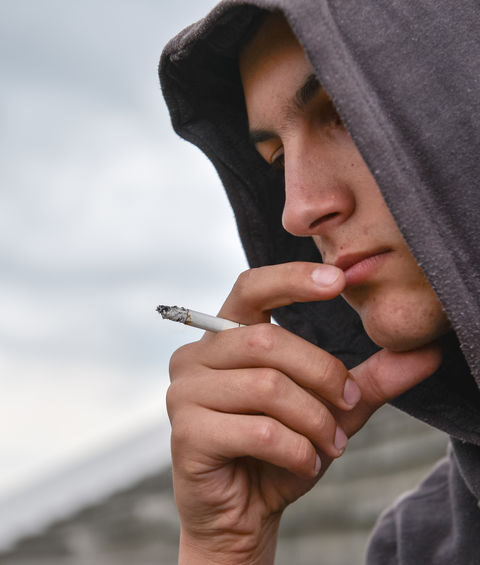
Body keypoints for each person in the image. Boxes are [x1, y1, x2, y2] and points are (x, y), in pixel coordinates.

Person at [159, 1, 480, 563]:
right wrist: (225, 548)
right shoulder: (416, 547)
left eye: (347, 114)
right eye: (278, 157)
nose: (297, 211)